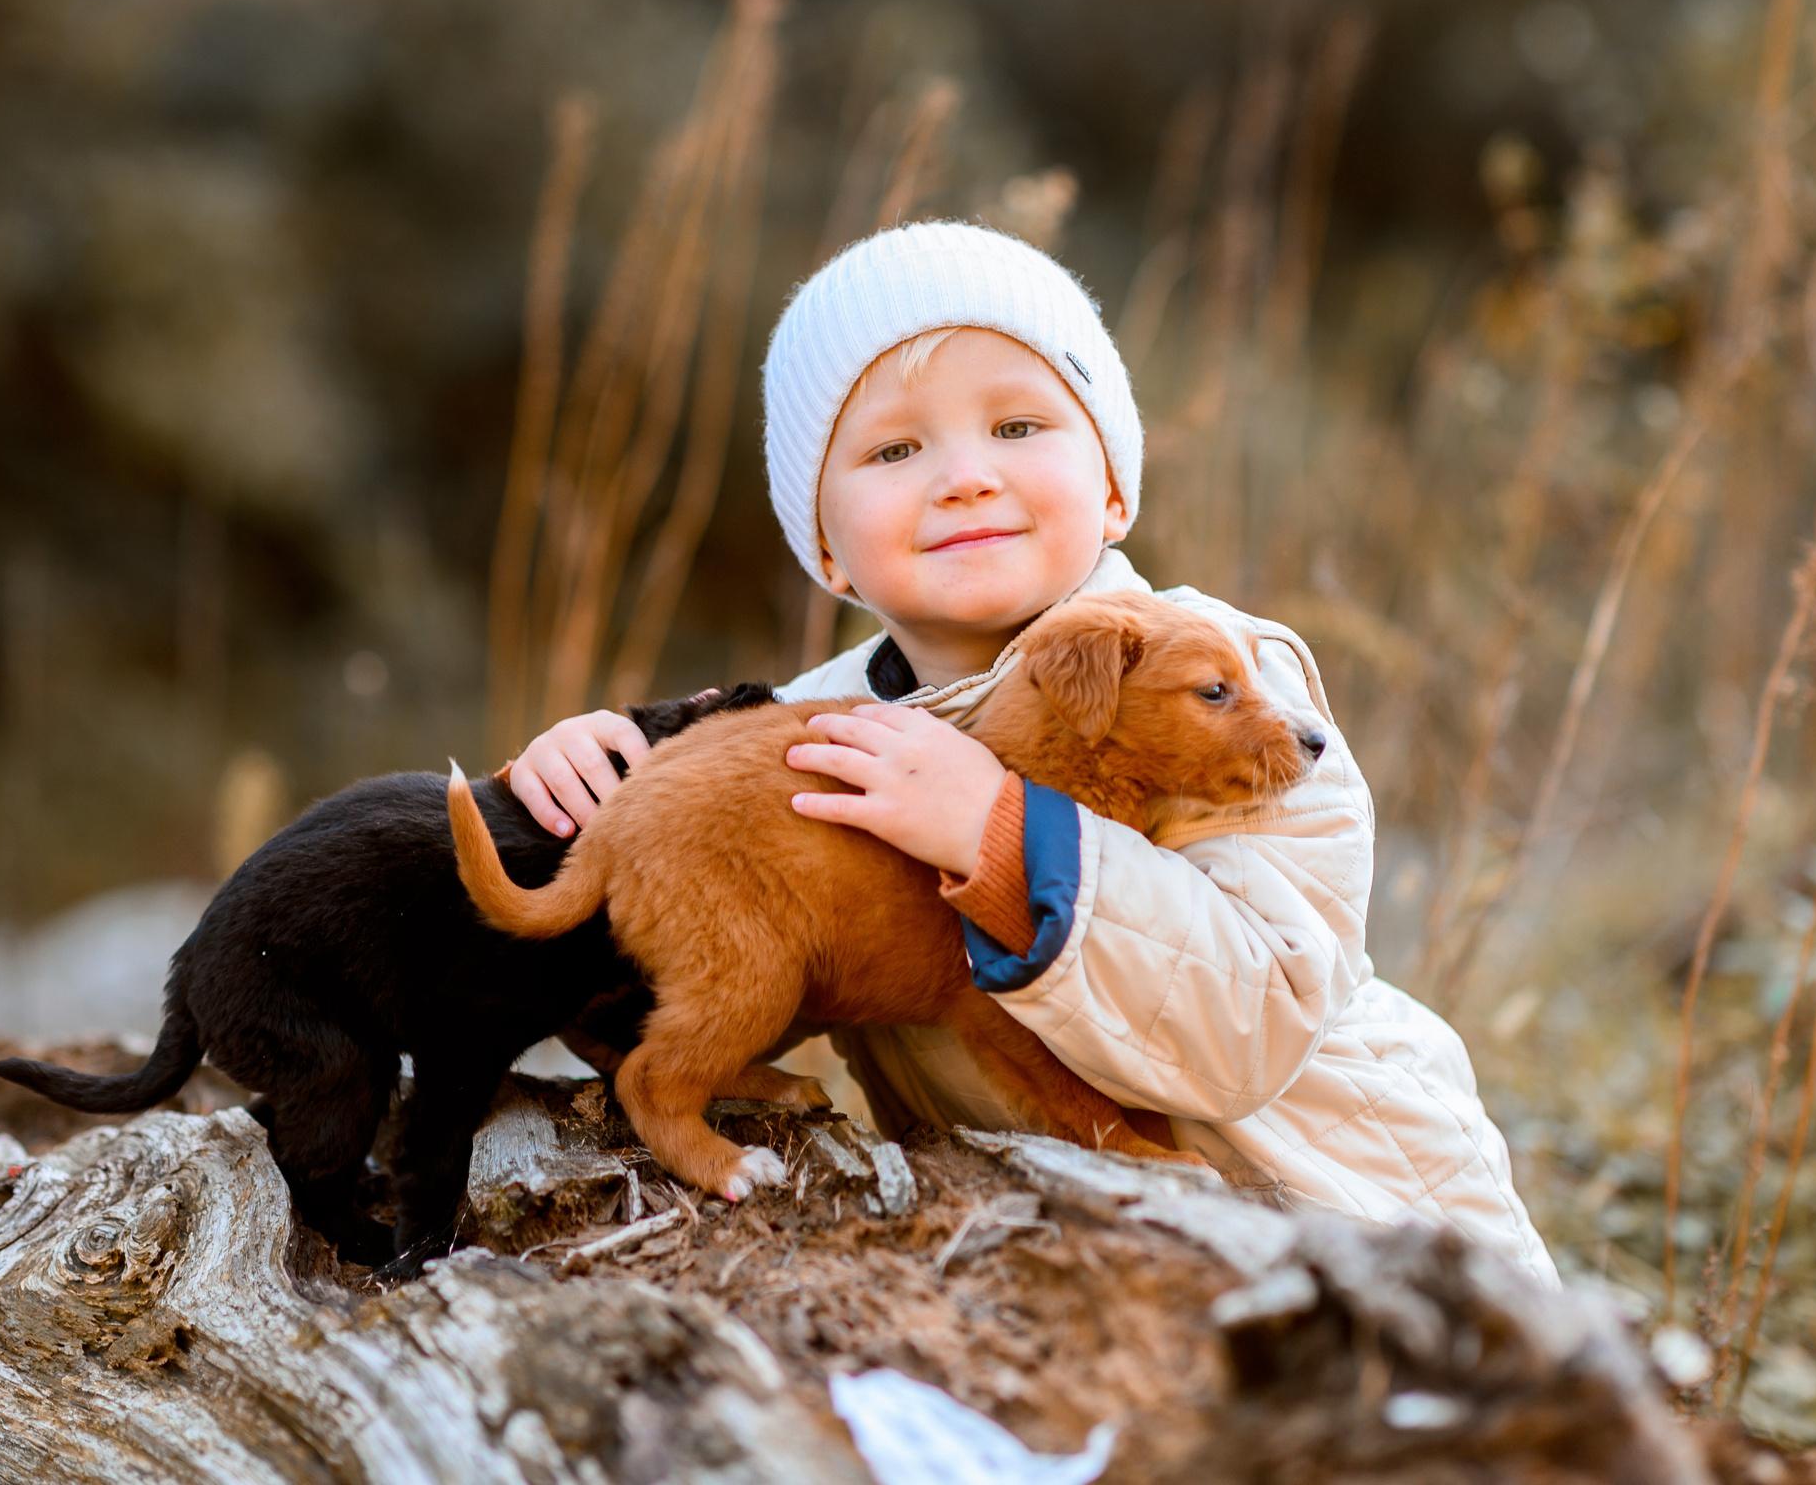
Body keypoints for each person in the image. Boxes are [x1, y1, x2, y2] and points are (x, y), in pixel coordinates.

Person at [507, 219, 1558, 1284]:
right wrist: (580, 793)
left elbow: (1249, 1026)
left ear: (1113, 487)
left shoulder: (1233, 690)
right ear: (825, 547)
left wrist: (1005, 840)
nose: (966, 477)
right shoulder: (810, 733)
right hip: (1089, 1257)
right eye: (895, 451)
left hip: (1367, 1226)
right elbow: (754, 979)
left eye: (1017, 426)